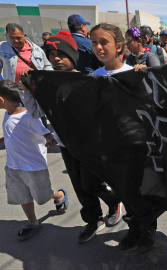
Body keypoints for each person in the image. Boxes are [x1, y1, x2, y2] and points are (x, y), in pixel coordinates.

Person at [20, 30, 123, 244]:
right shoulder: (46, 84)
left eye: (61, 53)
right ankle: (93, 220)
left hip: (89, 144)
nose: (56, 58)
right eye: (51, 54)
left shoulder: (88, 80)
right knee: (79, 186)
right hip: (66, 145)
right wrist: (27, 91)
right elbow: (37, 112)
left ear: (72, 55)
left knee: (91, 183)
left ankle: (114, 202)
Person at [90, 23, 159, 252]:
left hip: (134, 145)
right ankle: (134, 228)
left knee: (139, 189)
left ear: (119, 46)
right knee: (122, 189)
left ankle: (148, 228)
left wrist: (142, 80)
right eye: (94, 43)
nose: (99, 47)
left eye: (104, 42)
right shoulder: (92, 78)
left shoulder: (132, 74)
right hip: (108, 146)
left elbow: (150, 106)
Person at [0, 80, 69, 241]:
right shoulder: (7, 115)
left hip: (33, 166)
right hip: (13, 166)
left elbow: (46, 133)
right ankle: (32, 221)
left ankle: (58, 196)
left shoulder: (28, 116)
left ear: (2, 100)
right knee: (23, 196)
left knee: (43, 194)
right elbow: (11, 135)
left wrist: (50, 139)